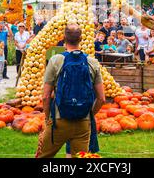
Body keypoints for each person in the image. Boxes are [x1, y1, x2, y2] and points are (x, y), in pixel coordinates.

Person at [36, 24, 105, 158]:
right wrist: (89, 115)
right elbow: (101, 98)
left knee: (43, 156)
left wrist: (47, 119)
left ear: (64, 39)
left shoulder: (55, 60)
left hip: (58, 121)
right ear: (81, 39)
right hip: (83, 123)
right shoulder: (92, 62)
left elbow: (45, 96)